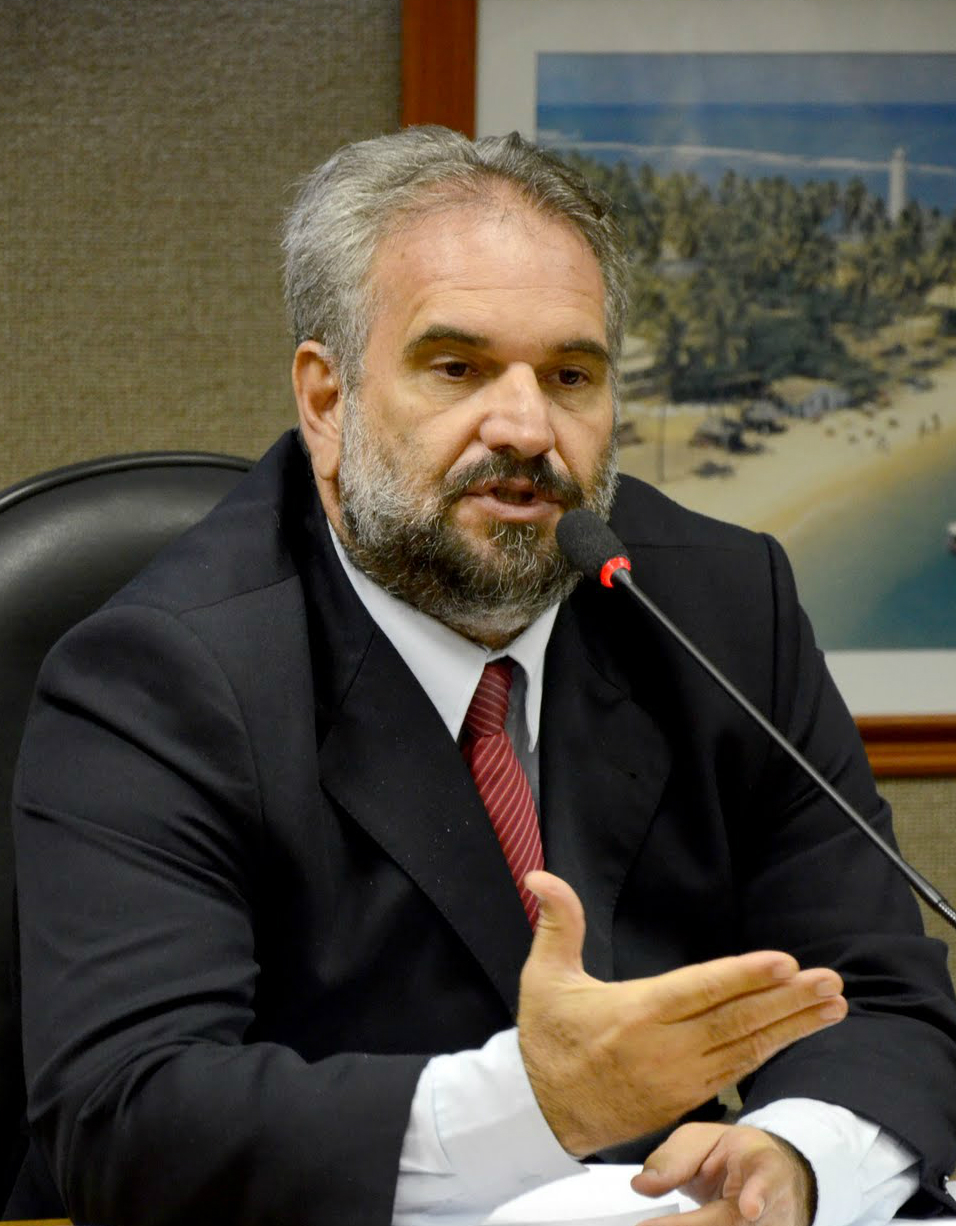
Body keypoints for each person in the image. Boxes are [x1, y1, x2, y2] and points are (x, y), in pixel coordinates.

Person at [10, 127, 956, 1226]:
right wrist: (529, 1109)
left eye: (570, 376)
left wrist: (792, 1164)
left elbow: (883, 996)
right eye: (455, 367)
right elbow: (126, 1115)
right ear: (325, 399)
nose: (526, 427)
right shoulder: (161, 673)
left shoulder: (717, 606)